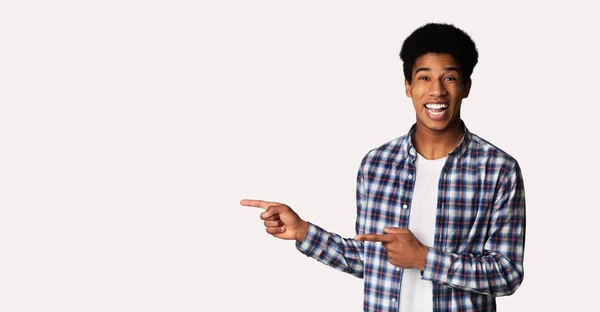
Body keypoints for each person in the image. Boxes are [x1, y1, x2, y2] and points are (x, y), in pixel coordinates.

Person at [241, 22, 525, 312]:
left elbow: (507, 274)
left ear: (466, 87)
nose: (437, 91)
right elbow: (370, 260)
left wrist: (424, 259)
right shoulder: (376, 165)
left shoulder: (498, 170)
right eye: (424, 77)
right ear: (408, 87)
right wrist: (302, 231)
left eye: (449, 78)